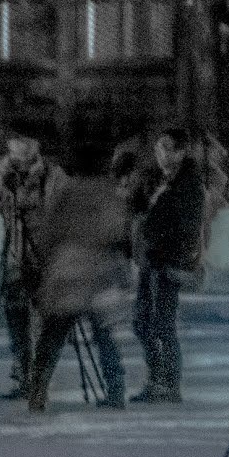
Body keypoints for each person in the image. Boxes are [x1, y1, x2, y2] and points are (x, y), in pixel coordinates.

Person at [32, 143, 138, 408]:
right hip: (99, 273)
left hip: (66, 270)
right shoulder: (111, 196)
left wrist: (46, 263)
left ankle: (38, 389)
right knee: (104, 334)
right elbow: (120, 233)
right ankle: (116, 390)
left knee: (53, 334)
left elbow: (49, 232)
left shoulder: (66, 195)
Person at [0, 134, 75, 410]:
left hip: (47, 261)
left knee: (48, 324)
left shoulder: (54, 176)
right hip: (14, 259)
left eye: (25, 147)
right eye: (16, 148)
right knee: (18, 324)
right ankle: (28, 380)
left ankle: (38, 382)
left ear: (36, 147)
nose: (20, 154)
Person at [131, 124, 212, 403]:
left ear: (181, 152)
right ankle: (158, 379)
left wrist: (155, 233)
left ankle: (168, 383)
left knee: (161, 323)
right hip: (151, 261)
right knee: (143, 322)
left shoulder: (188, 184)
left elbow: (184, 225)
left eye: (167, 148)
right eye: (158, 148)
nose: (161, 154)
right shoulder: (161, 180)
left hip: (167, 262)